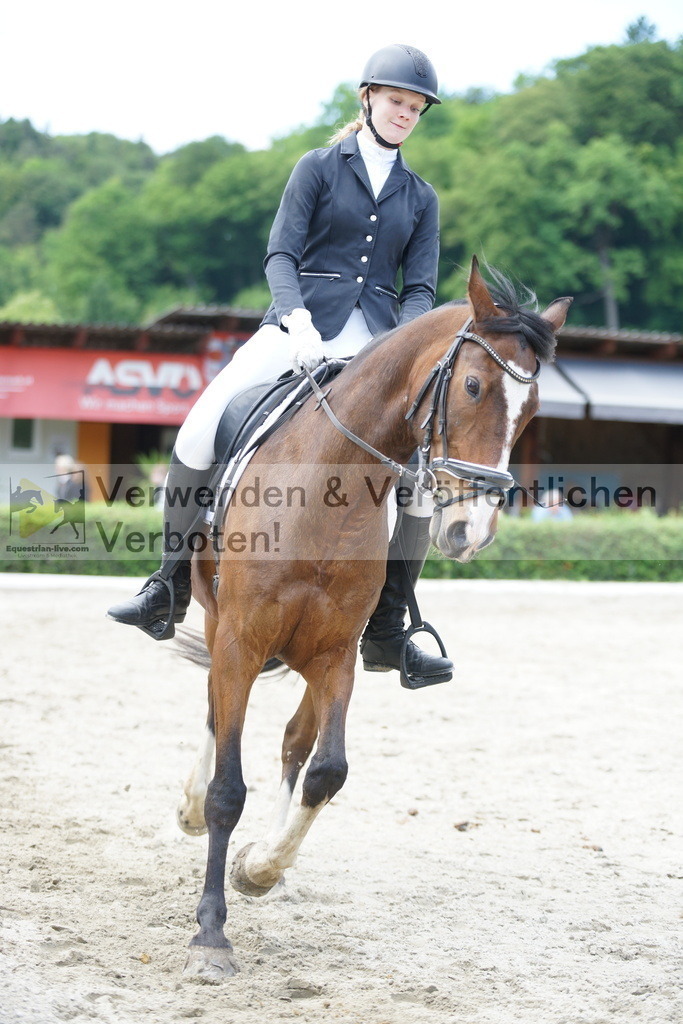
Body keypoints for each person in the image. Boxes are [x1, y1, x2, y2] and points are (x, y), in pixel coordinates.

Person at [108, 43, 452, 687]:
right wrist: (294, 320)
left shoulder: (421, 197)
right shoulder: (318, 167)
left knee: (421, 481)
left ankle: (390, 628)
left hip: (376, 347)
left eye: (415, 108)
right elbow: (281, 256)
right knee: (200, 425)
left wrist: (400, 350)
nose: (405, 114)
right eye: (396, 102)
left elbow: (421, 291)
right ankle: (168, 584)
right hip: (296, 327)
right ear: (368, 98)